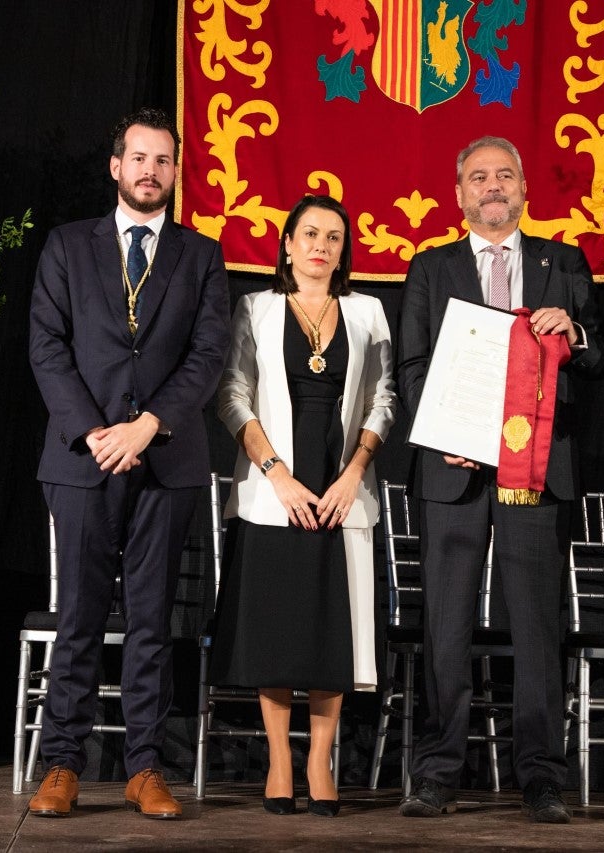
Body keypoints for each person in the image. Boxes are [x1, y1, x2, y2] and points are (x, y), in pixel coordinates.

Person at [395, 136, 604, 823]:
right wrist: (449, 434)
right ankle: (436, 772)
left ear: (524, 190)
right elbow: (412, 366)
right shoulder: (430, 268)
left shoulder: (563, 261)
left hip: (536, 470)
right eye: (479, 177)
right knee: (446, 623)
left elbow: (601, 355)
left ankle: (541, 776)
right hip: (453, 471)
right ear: (458, 194)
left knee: (537, 624)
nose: (493, 186)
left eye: (505, 176)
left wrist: (572, 330)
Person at [26, 108, 229, 819]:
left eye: (163, 160)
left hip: (165, 458)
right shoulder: (67, 246)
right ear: (116, 166)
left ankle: (145, 766)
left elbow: (207, 356)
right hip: (83, 461)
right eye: (138, 158)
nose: (150, 171)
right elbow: (47, 347)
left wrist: (145, 426)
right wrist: (96, 432)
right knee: (78, 617)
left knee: (151, 621)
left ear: (176, 171)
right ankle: (62, 764)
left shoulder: (201, 255)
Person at [208, 195, 395, 818]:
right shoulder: (254, 308)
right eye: (309, 234)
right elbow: (232, 395)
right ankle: (281, 763)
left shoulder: (368, 312)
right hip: (274, 492)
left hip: (344, 491)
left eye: (334, 237)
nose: (321, 245)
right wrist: (278, 475)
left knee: (328, 635)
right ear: (287, 244)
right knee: (277, 632)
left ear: (344, 250)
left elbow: (384, 400)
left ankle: (319, 761)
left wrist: (353, 475)